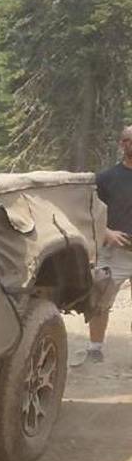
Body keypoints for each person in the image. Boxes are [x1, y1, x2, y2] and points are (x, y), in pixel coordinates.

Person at [78, 126, 132, 364]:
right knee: (100, 300)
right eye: (131, 140)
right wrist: (106, 232)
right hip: (114, 252)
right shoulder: (106, 178)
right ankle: (94, 349)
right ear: (123, 144)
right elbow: (89, 210)